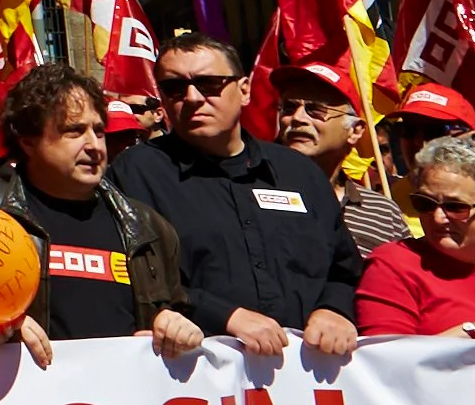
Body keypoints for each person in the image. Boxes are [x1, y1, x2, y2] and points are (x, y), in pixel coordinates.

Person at [116, 31, 363, 366]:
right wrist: (225, 316)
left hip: (306, 376)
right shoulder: (136, 172)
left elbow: (343, 268)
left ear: (244, 90)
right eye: (175, 88)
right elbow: (140, 275)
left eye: (210, 84)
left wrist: (333, 309)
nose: (192, 97)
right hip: (198, 376)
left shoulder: (299, 173)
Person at [0, 66, 163, 363]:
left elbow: (174, 308)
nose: (95, 146)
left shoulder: (146, 226)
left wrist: (170, 325)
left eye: (98, 130)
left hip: (127, 403)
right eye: (74, 131)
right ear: (28, 141)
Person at [357, 134, 475, 349]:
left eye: (456, 207)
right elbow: (382, 363)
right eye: (425, 204)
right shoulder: (393, 264)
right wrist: (473, 333)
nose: (438, 218)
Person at [271, 63, 402, 249]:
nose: (298, 118)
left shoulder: (384, 214)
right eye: (289, 108)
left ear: (355, 131)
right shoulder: (250, 193)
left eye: (315, 110)